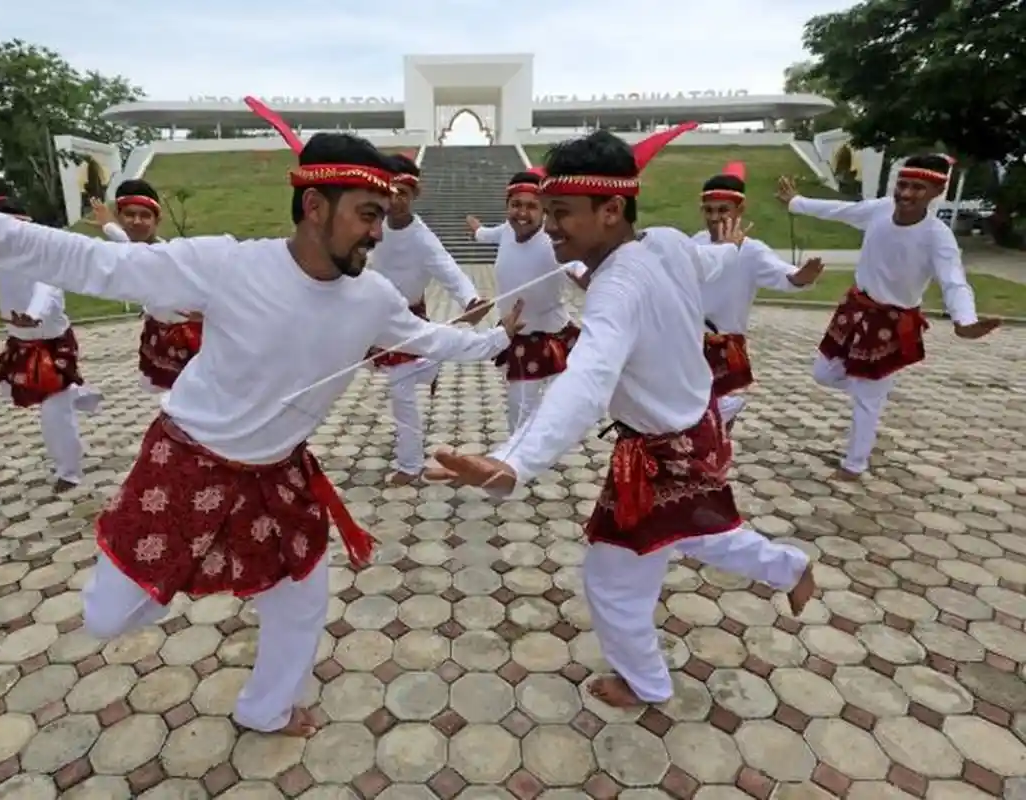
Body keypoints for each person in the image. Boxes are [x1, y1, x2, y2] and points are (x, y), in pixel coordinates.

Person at [0, 88, 522, 738]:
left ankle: (267, 710)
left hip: (277, 475)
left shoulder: (371, 298)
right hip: (188, 463)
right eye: (367, 214)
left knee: (303, 593)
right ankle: (152, 578)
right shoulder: (225, 265)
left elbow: (432, 339)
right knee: (110, 619)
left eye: (381, 216)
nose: (378, 232)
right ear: (315, 205)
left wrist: (496, 339)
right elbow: (86, 259)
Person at [429, 130, 816, 710]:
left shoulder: (616, 288)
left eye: (561, 213)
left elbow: (584, 379)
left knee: (621, 573)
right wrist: (732, 249)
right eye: (547, 211)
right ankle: (787, 570)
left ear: (611, 210)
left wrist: (515, 463)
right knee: (690, 539)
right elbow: (709, 258)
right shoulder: (663, 241)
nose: (550, 225)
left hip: (665, 454)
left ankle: (652, 681)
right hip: (691, 433)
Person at [779, 154, 1000, 479]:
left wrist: (964, 321)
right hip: (856, 310)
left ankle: (854, 466)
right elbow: (839, 211)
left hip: (892, 323)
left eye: (917, 188)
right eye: (903, 184)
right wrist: (796, 202)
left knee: (867, 399)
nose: (906, 194)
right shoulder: (880, 210)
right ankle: (870, 391)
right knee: (823, 374)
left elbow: (954, 281)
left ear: (935, 192)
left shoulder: (937, 236)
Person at [0, 193, 102, 493]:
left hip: (52, 344)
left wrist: (33, 315)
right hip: (20, 342)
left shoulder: (43, 254)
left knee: (53, 413)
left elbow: (49, 290)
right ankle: (78, 394)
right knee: (12, 390)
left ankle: (69, 472)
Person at [366, 153, 493, 485]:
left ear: (415, 195)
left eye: (402, 194)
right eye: (389, 193)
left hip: (408, 322)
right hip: (368, 319)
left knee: (400, 391)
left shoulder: (423, 238)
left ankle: (410, 465)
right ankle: (431, 363)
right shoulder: (371, 226)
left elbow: (450, 271)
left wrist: (471, 300)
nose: (395, 201)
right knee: (340, 369)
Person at [691, 162, 825, 426]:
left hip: (725, 343)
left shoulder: (752, 251)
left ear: (739, 210)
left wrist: (802, 276)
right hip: (689, 342)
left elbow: (782, 273)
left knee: (717, 424)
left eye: (723, 210)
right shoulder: (695, 241)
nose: (715, 217)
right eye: (709, 210)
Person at [466, 170, 582, 431]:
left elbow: (579, 268)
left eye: (531, 206)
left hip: (552, 339)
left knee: (558, 409)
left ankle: (538, 450)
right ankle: (519, 462)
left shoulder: (556, 241)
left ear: (544, 211)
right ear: (507, 206)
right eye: (515, 205)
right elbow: (488, 234)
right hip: (516, 336)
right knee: (520, 411)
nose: (522, 213)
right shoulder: (507, 230)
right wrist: (476, 230)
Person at [92, 180, 204, 392]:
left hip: (191, 336)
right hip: (159, 333)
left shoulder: (170, 253)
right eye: (130, 215)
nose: (137, 221)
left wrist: (111, 229)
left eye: (145, 216)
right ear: (120, 217)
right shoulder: (123, 252)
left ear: (157, 220)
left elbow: (142, 261)